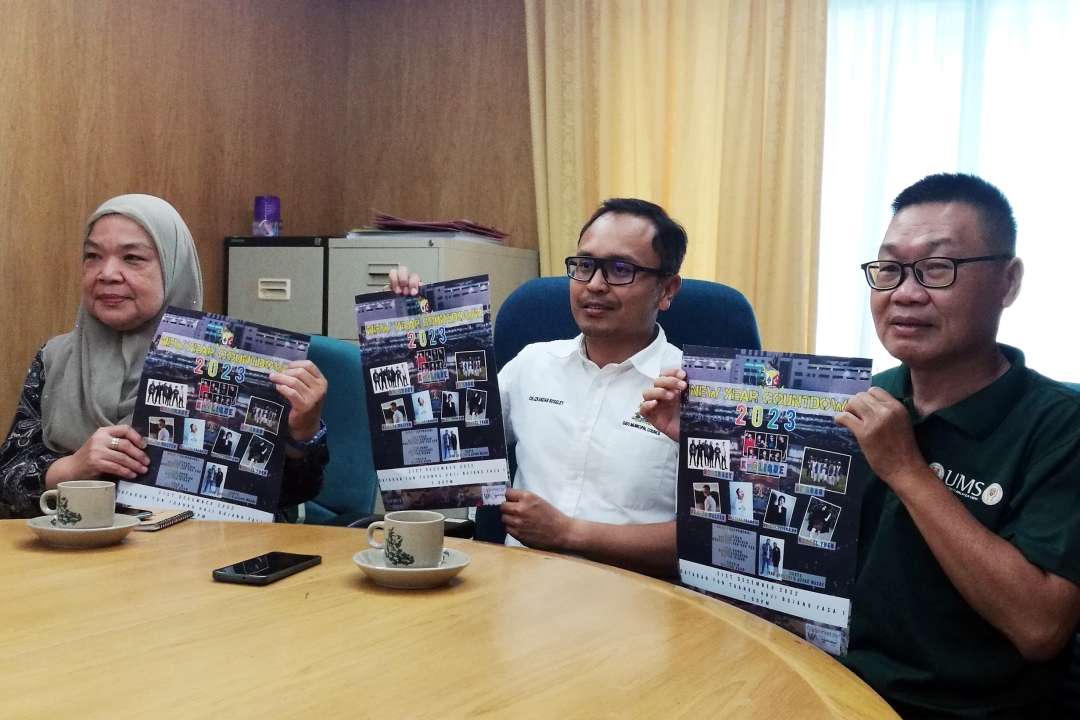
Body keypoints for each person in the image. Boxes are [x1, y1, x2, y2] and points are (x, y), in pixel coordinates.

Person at [643, 174, 1080, 718]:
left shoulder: (1059, 426)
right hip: (821, 677)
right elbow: (788, 537)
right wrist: (707, 442)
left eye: (938, 269)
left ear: (1008, 282)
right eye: (889, 269)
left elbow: (1040, 628)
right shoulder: (861, 399)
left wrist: (908, 470)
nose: (905, 293)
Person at [387, 198, 685, 577]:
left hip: (637, 603)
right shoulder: (533, 364)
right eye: (584, 266)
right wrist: (413, 332)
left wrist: (569, 533)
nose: (594, 285)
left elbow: (713, 543)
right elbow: (442, 454)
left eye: (620, 269)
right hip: (519, 594)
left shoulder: (689, 390)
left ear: (667, 289)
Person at [0, 194, 329, 520]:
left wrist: (301, 433)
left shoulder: (229, 365)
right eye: (92, 256)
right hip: (76, 553)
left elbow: (288, 497)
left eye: (132, 258)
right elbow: (6, 483)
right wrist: (74, 467)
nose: (107, 273)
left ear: (174, 268)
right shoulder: (56, 358)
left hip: (196, 557)